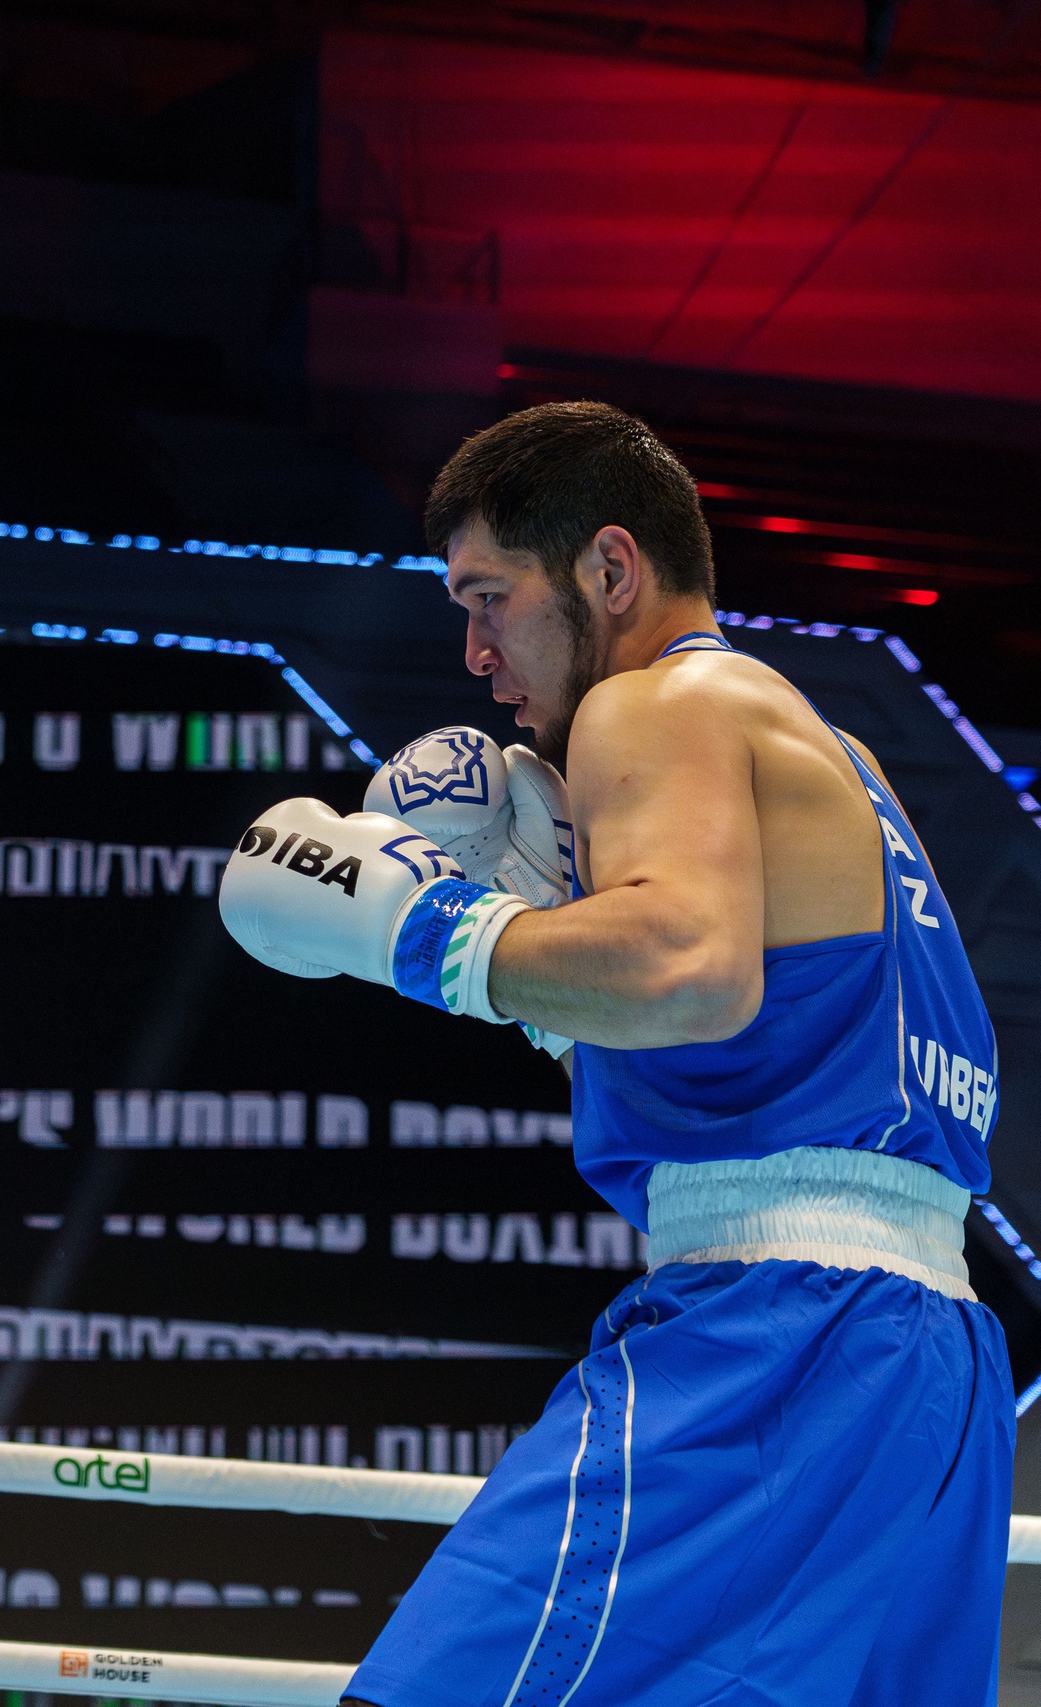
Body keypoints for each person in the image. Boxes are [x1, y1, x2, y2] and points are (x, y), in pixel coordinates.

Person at [218, 400, 1005, 1706]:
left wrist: (438, 936)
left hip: (778, 1333)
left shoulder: (651, 705)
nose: (473, 649)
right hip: (934, 1363)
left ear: (610, 568)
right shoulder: (831, 746)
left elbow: (691, 970)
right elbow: (783, 1041)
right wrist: (554, 981)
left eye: (490, 596)